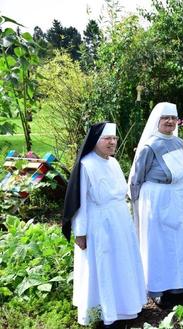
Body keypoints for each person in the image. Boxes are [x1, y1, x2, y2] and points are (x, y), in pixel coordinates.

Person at [62, 122, 146, 328]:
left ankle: (123, 307)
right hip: (99, 224)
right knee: (104, 268)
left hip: (119, 221)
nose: (112, 142)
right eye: (107, 139)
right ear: (95, 141)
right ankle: (106, 314)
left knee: (121, 265)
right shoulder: (86, 165)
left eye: (114, 138)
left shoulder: (114, 163)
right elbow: (79, 202)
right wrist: (80, 232)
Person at [128, 102, 183, 308]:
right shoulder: (149, 147)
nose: (170, 122)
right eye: (165, 118)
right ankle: (161, 289)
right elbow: (137, 178)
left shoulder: (179, 143)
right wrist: (138, 207)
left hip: (180, 198)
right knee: (161, 244)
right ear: (157, 121)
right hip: (158, 200)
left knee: (182, 241)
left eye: (173, 118)